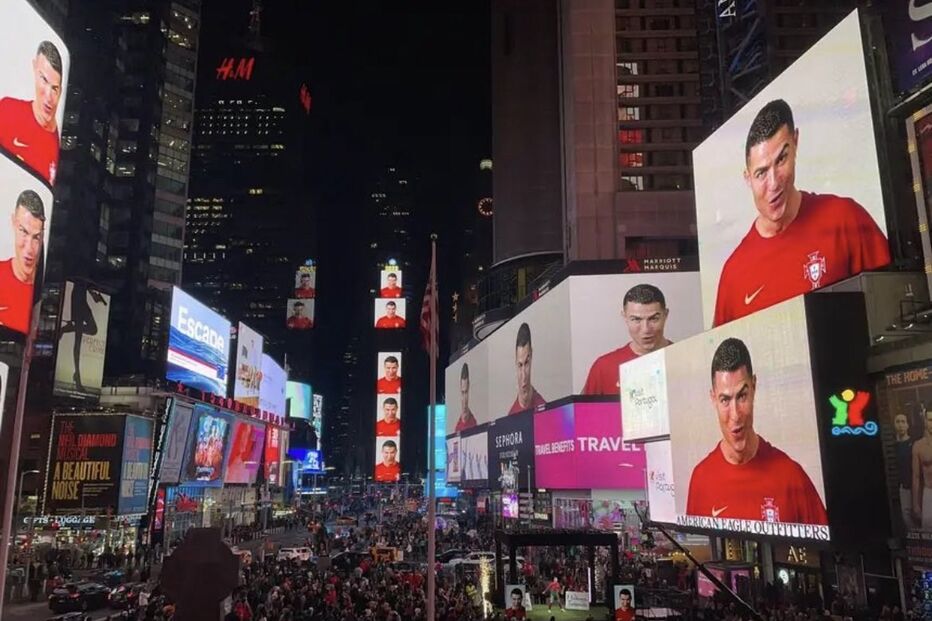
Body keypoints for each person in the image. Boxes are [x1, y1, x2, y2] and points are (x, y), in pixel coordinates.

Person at [712, 99, 890, 326]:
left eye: (781, 159)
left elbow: (894, 311)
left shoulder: (845, 219)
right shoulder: (733, 275)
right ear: (747, 178)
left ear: (795, 143)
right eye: (761, 173)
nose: (774, 183)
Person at [685, 337, 828, 524]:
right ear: (713, 399)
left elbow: (826, 552)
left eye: (742, 396)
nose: (735, 415)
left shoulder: (792, 477)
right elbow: (696, 552)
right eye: (725, 400)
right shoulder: (700, 480)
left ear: (754, 387)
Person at [583, 284, 672, 395]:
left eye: (654, 318)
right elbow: (585, 412)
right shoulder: (604, 367)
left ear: (666, 315)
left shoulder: (688, 360)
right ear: (624, 317)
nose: (646, 329)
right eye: (636, 319)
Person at [0, 41, 63, 185]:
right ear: (35, 68)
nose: (49, 96)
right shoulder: (8, 110)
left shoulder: (56, 143)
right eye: (44, 80)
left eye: (55, 88)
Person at [0, 190, 46, 334]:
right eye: (24, 232)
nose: (29, 248)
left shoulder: (42, 294)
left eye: (36, 237)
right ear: (14, 222)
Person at [58, 282, 107, 392]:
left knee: (93, 329)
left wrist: (93, 293)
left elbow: (87, 283)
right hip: (78, 299)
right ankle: (77, 377)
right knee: (78, 341)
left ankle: (66, 329)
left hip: (82, 298)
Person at [508, 323, 546, 415]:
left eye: (527, 363)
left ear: (531, 355)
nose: (524, 375)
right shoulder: (510, 416)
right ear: (515, 361)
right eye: (520, 365)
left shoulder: (544, 411)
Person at [912, 407, 932, 528]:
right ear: (925, 420)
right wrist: (915, 503)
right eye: (930, 419)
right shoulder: (918, 446)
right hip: (929, 492)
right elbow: (916, 476)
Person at [894, 413, 914, 528]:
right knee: (905, 515)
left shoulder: (914, 443)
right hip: (902, 486)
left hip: (915, 484)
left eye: (903, 422)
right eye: (898, 422)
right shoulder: (893, 445)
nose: (901, 425)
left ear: (907, 425)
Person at [455, 363, 478, 431]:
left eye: (466, 392)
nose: (464, 399)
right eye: (462, 393)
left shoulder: (474, 424)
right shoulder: (457, 428)